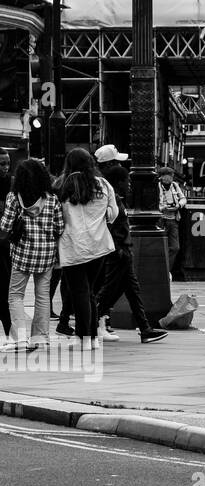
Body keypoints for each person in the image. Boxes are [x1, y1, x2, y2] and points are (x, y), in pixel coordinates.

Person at [90, 145, 167, 344]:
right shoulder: (108, 195)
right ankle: (90, 321)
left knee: (132, 289)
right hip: (118, 251)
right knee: (109, 290)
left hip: (122, 249)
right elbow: (110, 225)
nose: (130, 184)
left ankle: (145, 328)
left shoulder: (111, 194)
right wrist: (119, 248)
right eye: (127, 180)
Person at [55, 148, 119, 351]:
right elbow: (113, 214)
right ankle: (92, 338)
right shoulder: (102, 184)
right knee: (90, 291)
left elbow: (56, 217)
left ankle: (84, 337)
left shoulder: (61, 185)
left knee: (79, 292)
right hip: (98, 244)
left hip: (72, 245)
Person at [0, 157, 62, 349]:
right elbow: (59, 227)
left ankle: (19, 338)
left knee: (15, 295)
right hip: (46, 254)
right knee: (42, 295)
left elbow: (5, 227)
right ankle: (40, 337)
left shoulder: (14, 198)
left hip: (22, 254)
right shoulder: (51, 199)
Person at [157, 166, 186, 276]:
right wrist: (163, 207)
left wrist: (179, 205)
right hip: (161, 219)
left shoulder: (175, 186)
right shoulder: (157, 186)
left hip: (173, 219)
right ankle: (161, 271)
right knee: (160, 247)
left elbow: (183, 199)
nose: (172, 178)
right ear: (163, 177)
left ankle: (165, 270)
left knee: (175, 247)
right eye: (170, 175)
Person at [0, 148, 11, 341]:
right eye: (2, 163)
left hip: (6, 243)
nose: (6, 167)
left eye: (8, 163)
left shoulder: (11, 183)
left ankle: (11, 331)